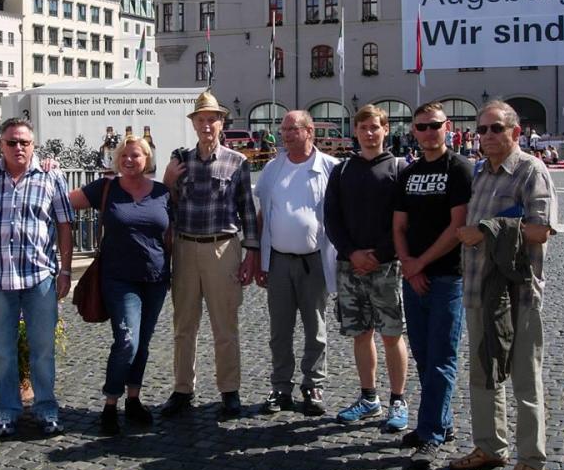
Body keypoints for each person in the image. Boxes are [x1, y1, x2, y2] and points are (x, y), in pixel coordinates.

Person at [450, 101, 557, 470]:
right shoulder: (480, 172)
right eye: (482, 129)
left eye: (496, 128)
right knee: (483, 373)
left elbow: (540, 230)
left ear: (515, 131)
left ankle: (532, 460)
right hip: (479, 289)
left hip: (518, 294)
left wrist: (487, 228)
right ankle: (489, 447)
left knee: (526, 380)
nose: (487, 136)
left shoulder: (531, 170)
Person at [0, 117, 75, 437]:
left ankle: (46, 409)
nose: (19, 148)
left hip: (39, 278)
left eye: (25, 143)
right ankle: (7, 410)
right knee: (2, 351)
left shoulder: (50, 175)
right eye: (12, 142)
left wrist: (66, 270)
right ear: (0, 144)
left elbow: (64, 224)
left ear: (34, 145)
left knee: (43, 349)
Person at [162, 89, 259, 418]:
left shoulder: (238, 162)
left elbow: (247, 211)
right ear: (194, 124)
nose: (207, 126)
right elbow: (167, 205)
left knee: (225, 325)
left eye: (212, 120)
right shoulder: (180, 160)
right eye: (201, 120)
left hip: (222, 248)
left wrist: (251, 254)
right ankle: (182, 389)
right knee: (183, 325)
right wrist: (167, 181)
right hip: (186, 248)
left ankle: (229, 390)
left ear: (221, 124)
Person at [69, 136, 170, 435]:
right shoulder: (106, 188)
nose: (129, 160)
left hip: (155, 278)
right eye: (123, 155)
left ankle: (134, 399)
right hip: (118, 278)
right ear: (116, 160)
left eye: (135, 155)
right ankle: (110, 403)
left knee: (143, 343)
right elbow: (61, 202)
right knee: (127, 341)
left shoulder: (163, 193)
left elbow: (171, 235)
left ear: (147, 159)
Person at [393, 103, 472, 469]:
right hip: (414, 277)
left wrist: (419, 264)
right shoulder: (408, 173)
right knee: (424, 356)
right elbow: (398, 226)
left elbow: (459, 226)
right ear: (413, 131)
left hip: (446, 276)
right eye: (421, 127)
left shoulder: (459, 169)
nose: (427, 133)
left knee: (442, 357)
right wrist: (408, 265)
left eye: (434, 126)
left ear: (447, 127)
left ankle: (430, 435)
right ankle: (440, 422)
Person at [324, 104, 409, 432]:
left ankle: (398, 399)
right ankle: (368, 396)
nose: (370, 133)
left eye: (376, 127)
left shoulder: (400, 168)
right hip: (350, 265)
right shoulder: (342, 170)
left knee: (392, 334)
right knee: (361, 334)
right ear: (355, 132)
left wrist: (380, 254)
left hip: (387, 266)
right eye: (364, 128)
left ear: (385, 130)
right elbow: (331, 217)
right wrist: (351, 252)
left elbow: (405, 220)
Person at [254, 111, 338, 416]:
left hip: (314, 260)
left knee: (315, 327)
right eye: (284, 129)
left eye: (293, 129)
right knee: (279, 328)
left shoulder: (330, 167)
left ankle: (313, 384)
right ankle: (281, 386)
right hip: (278, 260)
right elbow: (262, 214)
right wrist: (257, 259)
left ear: (309, 131)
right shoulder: (272, 169)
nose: (287, 135)